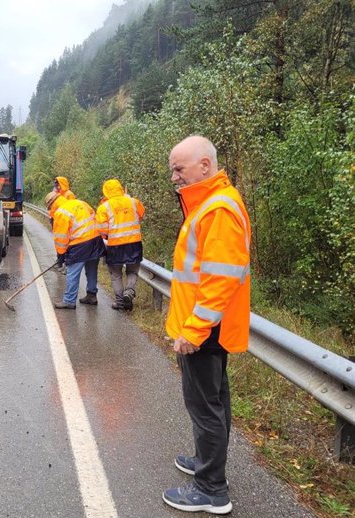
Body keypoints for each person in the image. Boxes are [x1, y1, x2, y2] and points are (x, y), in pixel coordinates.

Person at [162, 136, 251, 515]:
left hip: (204, 329)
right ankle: (206, 463)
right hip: (207, 325)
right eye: (172, 170)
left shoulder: (216, 209)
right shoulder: (212, 203)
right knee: (213, 401)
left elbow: (219, 280)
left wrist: (193, 331)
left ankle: (211, 489)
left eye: (179, 169)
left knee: (204, 406)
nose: (174, 177)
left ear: (204, 165)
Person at [44, 191, 105, 309]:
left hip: (80, 244)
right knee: (91, 270)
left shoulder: (60, 213)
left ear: (52, 205)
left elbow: (61, 237)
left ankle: (69, 300)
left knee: (72, 272)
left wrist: (61, 254)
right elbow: (95, 216)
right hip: (96, 239)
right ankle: (92, 295)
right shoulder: (80, 202)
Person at [95, 178, 145, 311]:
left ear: (105, 191)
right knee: (132, 271)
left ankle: (119, 301)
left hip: (115, 245)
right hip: (134, 243)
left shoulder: (104, 207)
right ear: (120, 188)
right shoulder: (133, 202)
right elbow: (141, 215)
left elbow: (102, 230)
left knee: (116, 274)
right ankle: (129, 292)